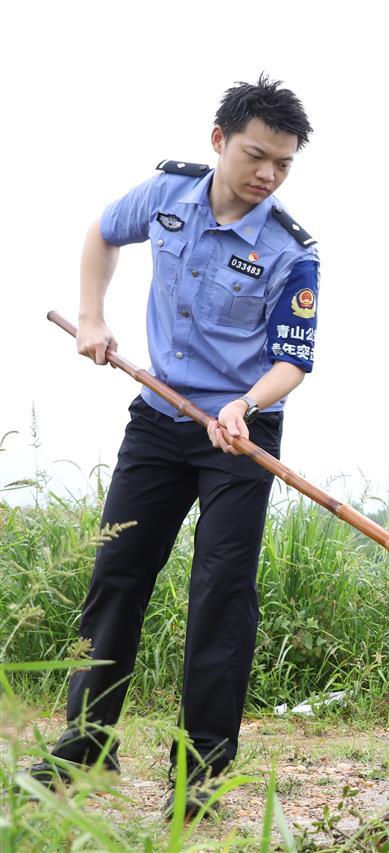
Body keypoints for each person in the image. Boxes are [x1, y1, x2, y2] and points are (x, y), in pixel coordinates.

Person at [25, 75, 319, 817]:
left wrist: (244, 405)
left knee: (221, 593)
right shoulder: (165, 195)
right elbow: (101, 232)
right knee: (117, 571)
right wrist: (93, 316)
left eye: (283, 164)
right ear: (219, 140)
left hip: (240, 433)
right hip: (159, 417)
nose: (268, 174)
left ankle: (202, 774)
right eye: (256, 155)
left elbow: (293, 360)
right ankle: (85, 745)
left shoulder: (291, 252)